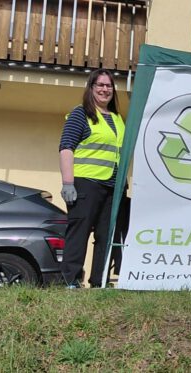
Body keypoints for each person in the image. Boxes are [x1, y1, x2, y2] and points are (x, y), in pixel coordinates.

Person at [59, 68, 125, 288]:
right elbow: (66, 147)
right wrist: (68, 183)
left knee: (106, 236)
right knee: (80, 232)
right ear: (91, 88)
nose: (105, 90)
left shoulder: (117, 119)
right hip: (86, 184)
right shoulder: (81, 114)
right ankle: (71, 281)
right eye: (101, 85)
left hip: (112, 188)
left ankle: (100, 281)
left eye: (109, 86)